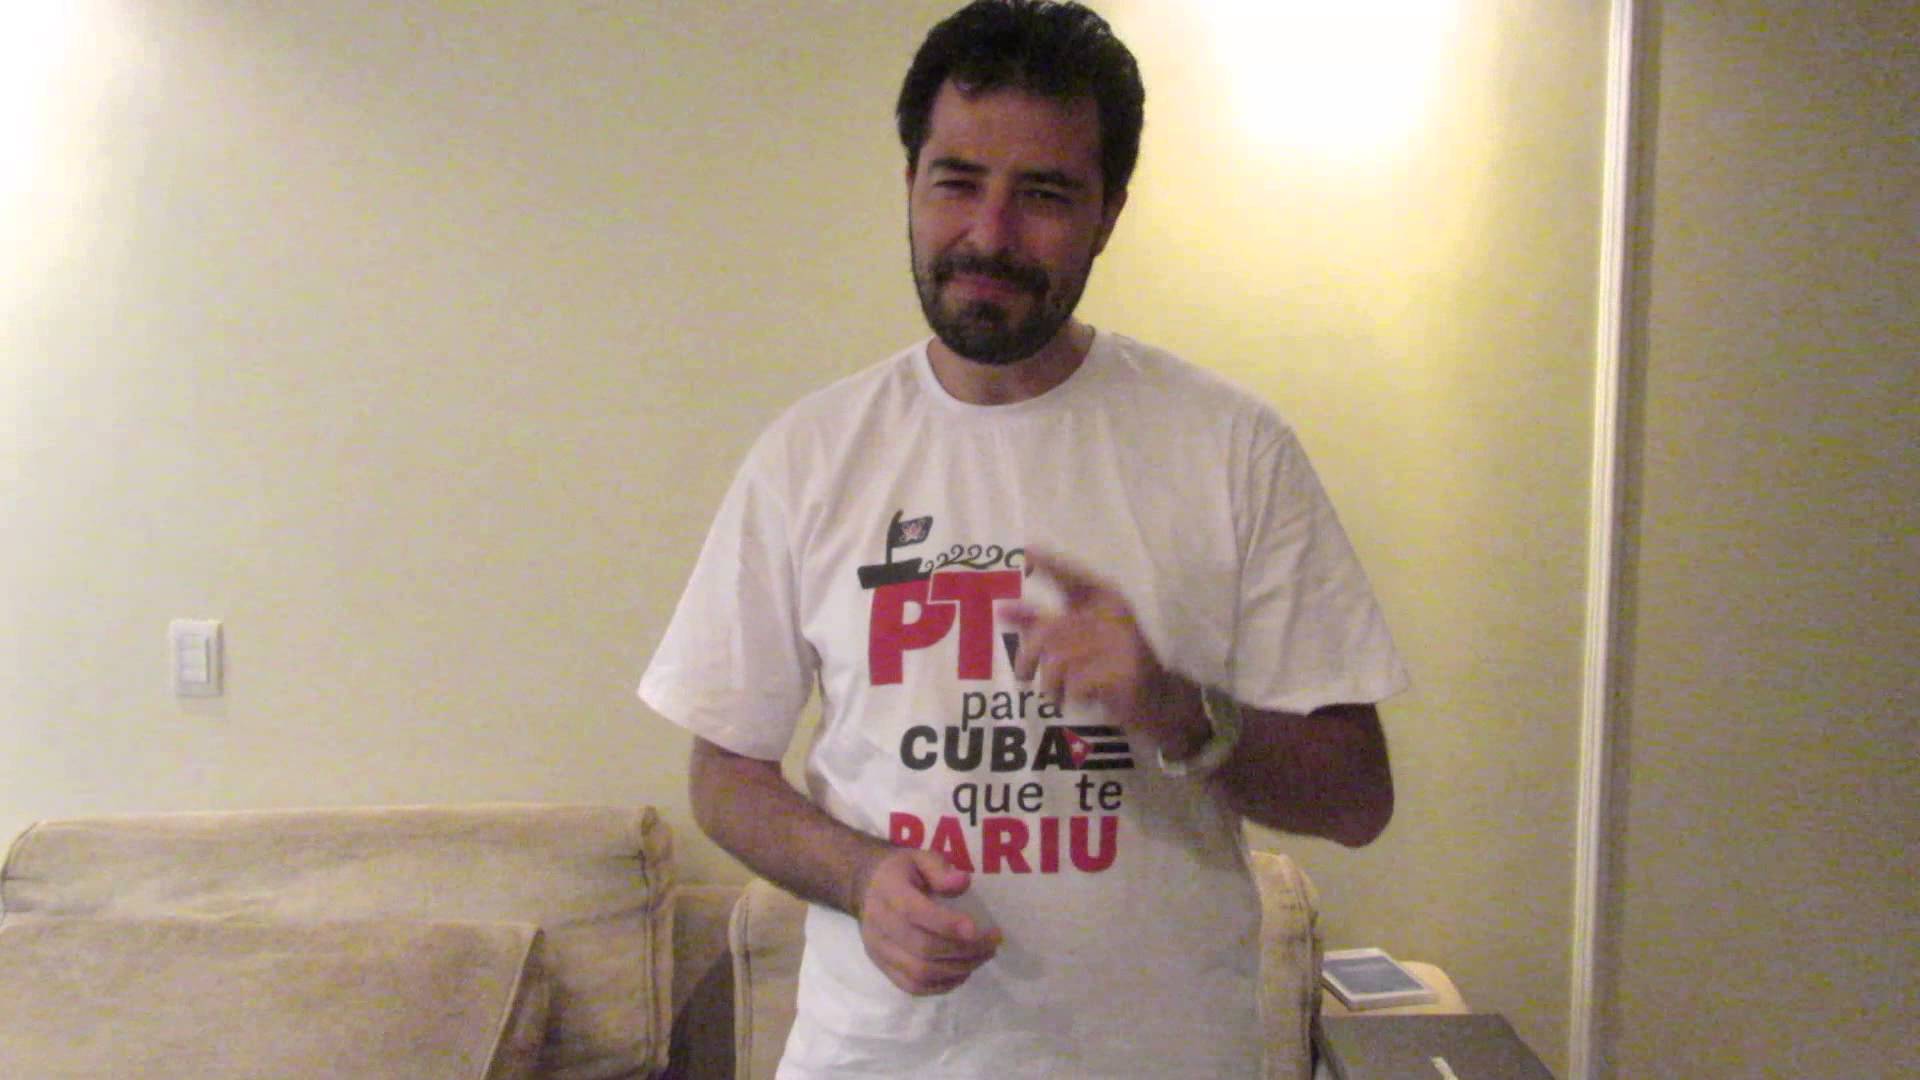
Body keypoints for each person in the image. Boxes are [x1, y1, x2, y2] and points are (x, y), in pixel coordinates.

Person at [639, 2, 1408, 1076]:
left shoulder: (1231, 448)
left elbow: (1358, 796)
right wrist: (861, 876)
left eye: (1044, 194)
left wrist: (1177, 711)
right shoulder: (810, 454)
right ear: (910, 182)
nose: (990, 235)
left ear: (1109, 212)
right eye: (957, 181)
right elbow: (725, 767)